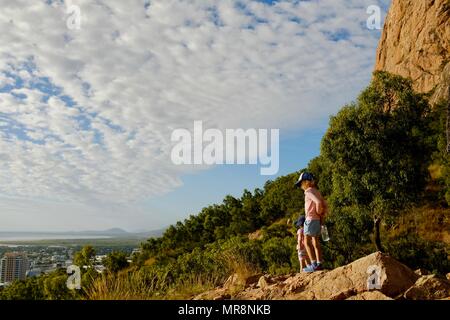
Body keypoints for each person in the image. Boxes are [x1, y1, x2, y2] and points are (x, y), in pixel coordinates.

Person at [294, 172, 328, 272]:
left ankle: (313, 264)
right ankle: (319, 263)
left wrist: (317, 211)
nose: (300, 186)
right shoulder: (317, 191)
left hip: (310, 219)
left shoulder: (308, 191)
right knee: (315, 242)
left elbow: (318, 202)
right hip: (317, 220)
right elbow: (324, 204)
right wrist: (321, 215)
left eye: (301, 183)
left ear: (307, 182)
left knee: (306, 241)